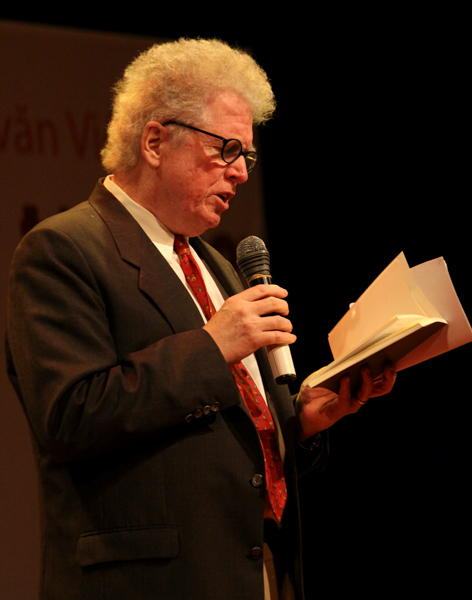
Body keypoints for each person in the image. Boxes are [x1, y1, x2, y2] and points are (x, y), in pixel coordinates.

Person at [5, 38, 395, 600]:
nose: (241, 174)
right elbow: (70, 416)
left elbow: (224, 450)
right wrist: (212, 347)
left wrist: (302, 424)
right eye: (227, 149)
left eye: (248, 157)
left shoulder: (216, 265)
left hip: (257, 572)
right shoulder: (63, 250)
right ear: (155, 142)